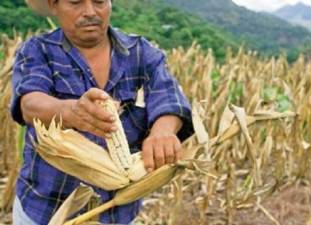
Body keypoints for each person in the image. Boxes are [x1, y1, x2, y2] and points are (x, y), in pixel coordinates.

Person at [10, 0, 194, 224]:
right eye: (76, 2)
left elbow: (168, 95)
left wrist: (163, 130)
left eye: (99, 1)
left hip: (117, 213)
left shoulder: (141, 52)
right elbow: (29, 104)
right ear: (54, 5)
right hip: (46, 209)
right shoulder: (37, 50)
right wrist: (72, 112)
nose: (90, 12)